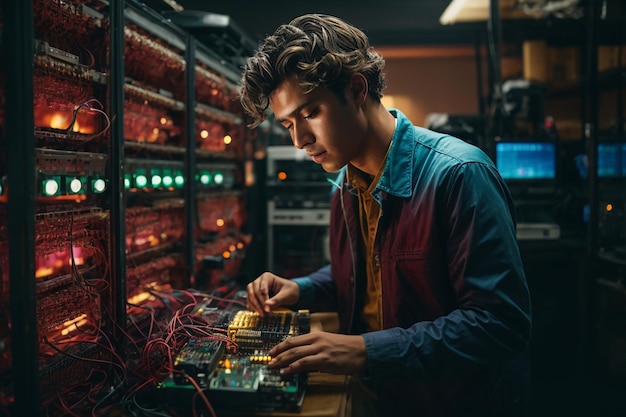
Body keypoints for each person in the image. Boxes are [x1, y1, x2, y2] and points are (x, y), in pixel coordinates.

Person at [239, 14, 531, 417]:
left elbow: (499, 325)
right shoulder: (344, 182)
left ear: (356, 88)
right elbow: (373, 271)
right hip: (382, 397)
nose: (300, 141)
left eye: (309, 114)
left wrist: (364, 349)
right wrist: (302, 287)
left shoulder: (461, 174)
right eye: (288, 124)